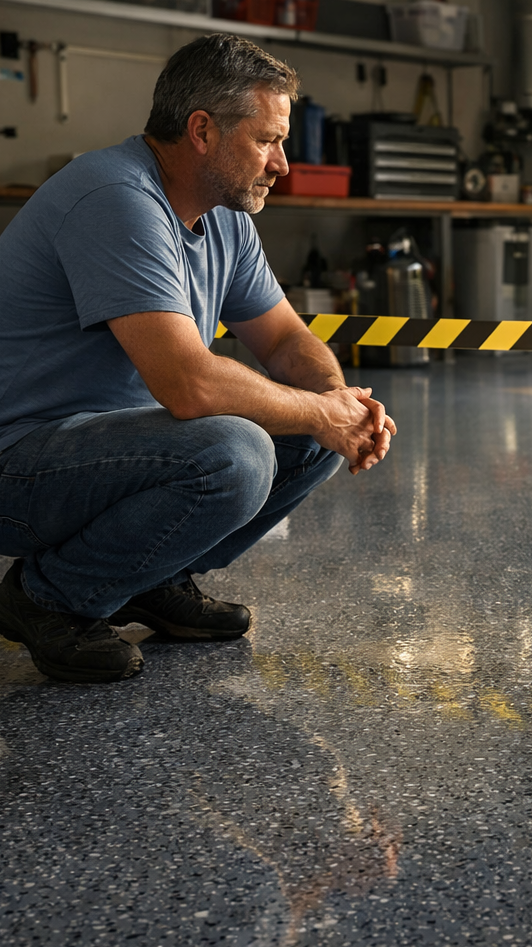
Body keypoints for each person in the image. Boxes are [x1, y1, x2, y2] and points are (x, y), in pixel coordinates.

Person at [0, 33, 395, 684]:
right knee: (236, 452)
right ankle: (48, 596)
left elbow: (287, 342)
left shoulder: (224, 216)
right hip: (19, 468)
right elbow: (187, 384)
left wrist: (340, 404)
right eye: (267, 139)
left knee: (314, 434)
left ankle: (147, 577)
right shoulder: (117, 198)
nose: (283, 164)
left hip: (101, 456)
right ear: (203, 131)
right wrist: (323, 411)